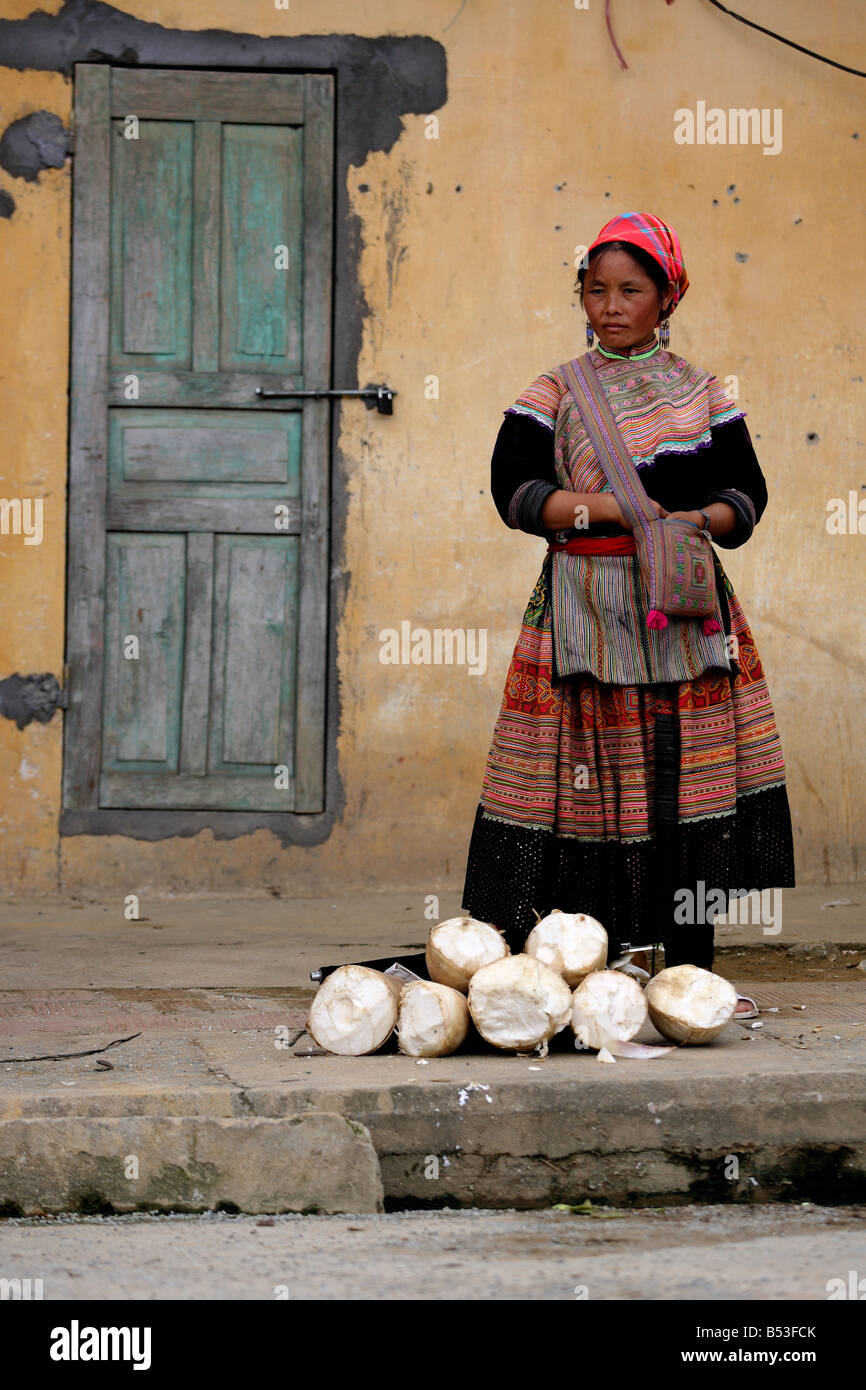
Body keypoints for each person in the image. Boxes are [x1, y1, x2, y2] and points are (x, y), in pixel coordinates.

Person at [460, 212, 795, 1014]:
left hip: (685, 615)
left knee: (689, 782)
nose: (610, 305)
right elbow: (516, 493)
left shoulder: (705, 392)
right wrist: (607, 507)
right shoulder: (553, 392)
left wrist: (692, 524)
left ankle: (693, 975)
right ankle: (594, 973)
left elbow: (746, 496)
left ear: (667, 296)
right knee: (592, 785)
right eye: (596, 288)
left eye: (630, 290)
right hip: (583, 612)